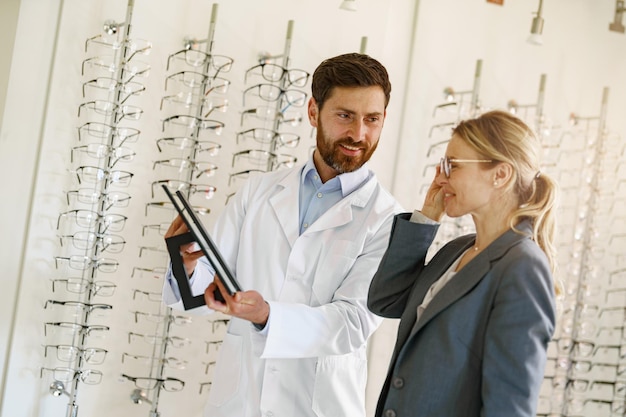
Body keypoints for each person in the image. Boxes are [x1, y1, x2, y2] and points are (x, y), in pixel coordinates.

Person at [162, 52, 403, 417]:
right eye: (344, 116)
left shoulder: (389, 220)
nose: (359, 134)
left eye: (372, 119)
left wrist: (267, 315)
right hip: (241, 402)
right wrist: (187, 266)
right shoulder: (258, 193)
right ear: (312, 111)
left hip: (320, 405)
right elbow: (201, 296)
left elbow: (353, 323)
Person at [367, 110, 559, 417]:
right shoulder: (456, 250)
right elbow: (385, 300)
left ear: (500, 174)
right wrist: (426, 219)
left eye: (452, 165)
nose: (440, 177)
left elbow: (508, 406)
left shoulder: (522, 267)